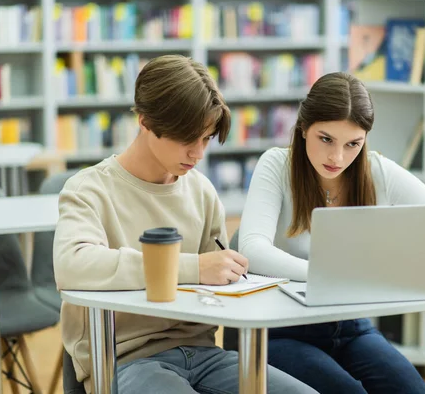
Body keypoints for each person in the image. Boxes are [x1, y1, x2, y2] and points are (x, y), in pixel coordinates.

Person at [53, 55, 318, 394]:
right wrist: (194, 268)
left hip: (206, 354)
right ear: (145, 121)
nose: (198, 153)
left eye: (206, 139)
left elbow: (217, 284)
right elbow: (72, 266)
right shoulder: (89, 189)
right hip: (128, 359)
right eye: (187, 138)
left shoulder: (202, 191)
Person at [238, 71, 425, 394]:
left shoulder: (377, 171)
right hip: (280, 330)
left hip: (350, 328)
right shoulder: (276, 165)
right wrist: (327, 275)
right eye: (326, 139)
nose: (337, 157)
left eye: (353, 144)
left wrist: (395, 246)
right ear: (304, 127)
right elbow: (252, 249)